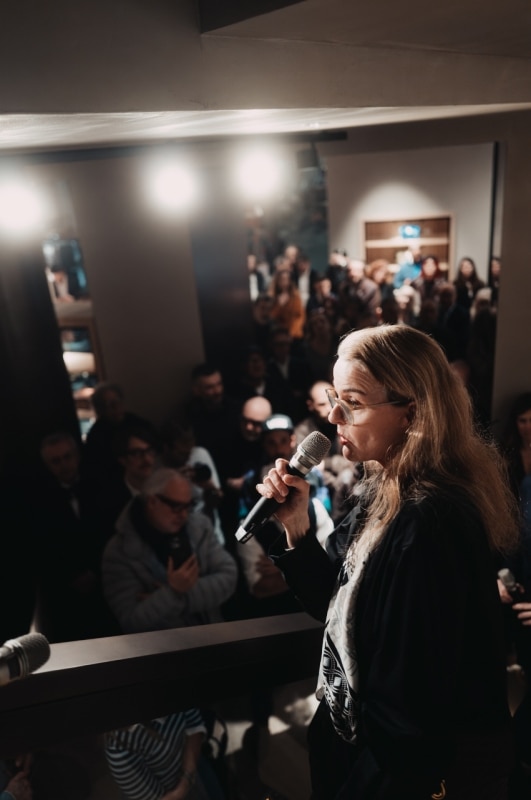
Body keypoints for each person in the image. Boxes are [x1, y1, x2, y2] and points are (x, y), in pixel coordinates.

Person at [254, 324, 520, 799]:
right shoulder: (384, 488)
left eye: (352, 402)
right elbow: (331, 601)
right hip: (362, 750)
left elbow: (408, 712)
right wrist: (296, 526)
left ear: (412, 413)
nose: (333, 415)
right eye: (335, 397)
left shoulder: (432, 521)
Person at [101, 469, 238, 633]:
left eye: (188, 506)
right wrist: (172, 591)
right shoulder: (119, 551)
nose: (184, 515)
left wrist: (177, 596)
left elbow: (229, 575)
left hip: (212, 634)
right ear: (152, 502)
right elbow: (131, 620)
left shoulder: (199, 527)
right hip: (163, 645)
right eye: (176, 507)